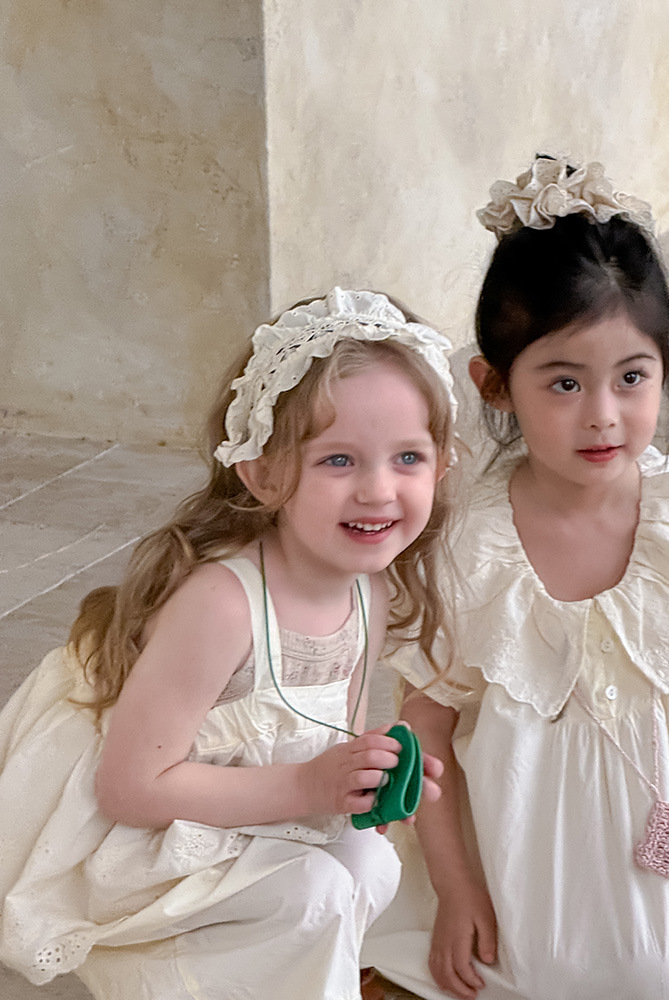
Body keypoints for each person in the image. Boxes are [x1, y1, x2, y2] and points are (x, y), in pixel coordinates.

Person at [362, 157, 669, 1000]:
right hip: (517, 879)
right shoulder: (465, 545)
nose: (603, 415)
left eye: (631, 378)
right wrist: (457, 889)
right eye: (565, 383)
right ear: (495, 384)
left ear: (666, 365)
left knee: (660, 975)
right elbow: (425, 735)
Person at [0, 287, 457, 1000]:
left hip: (253, 805)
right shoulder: (221, 604)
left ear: (441, 465)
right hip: (150, 830)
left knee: (370, 863)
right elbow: (129, 788)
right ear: (263, 472)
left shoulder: (368, 589)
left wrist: (365, 776)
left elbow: (327, 733)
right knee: (311, 891)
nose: (378, 490)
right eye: (338, 460)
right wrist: (308, 786)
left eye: (407, 457)